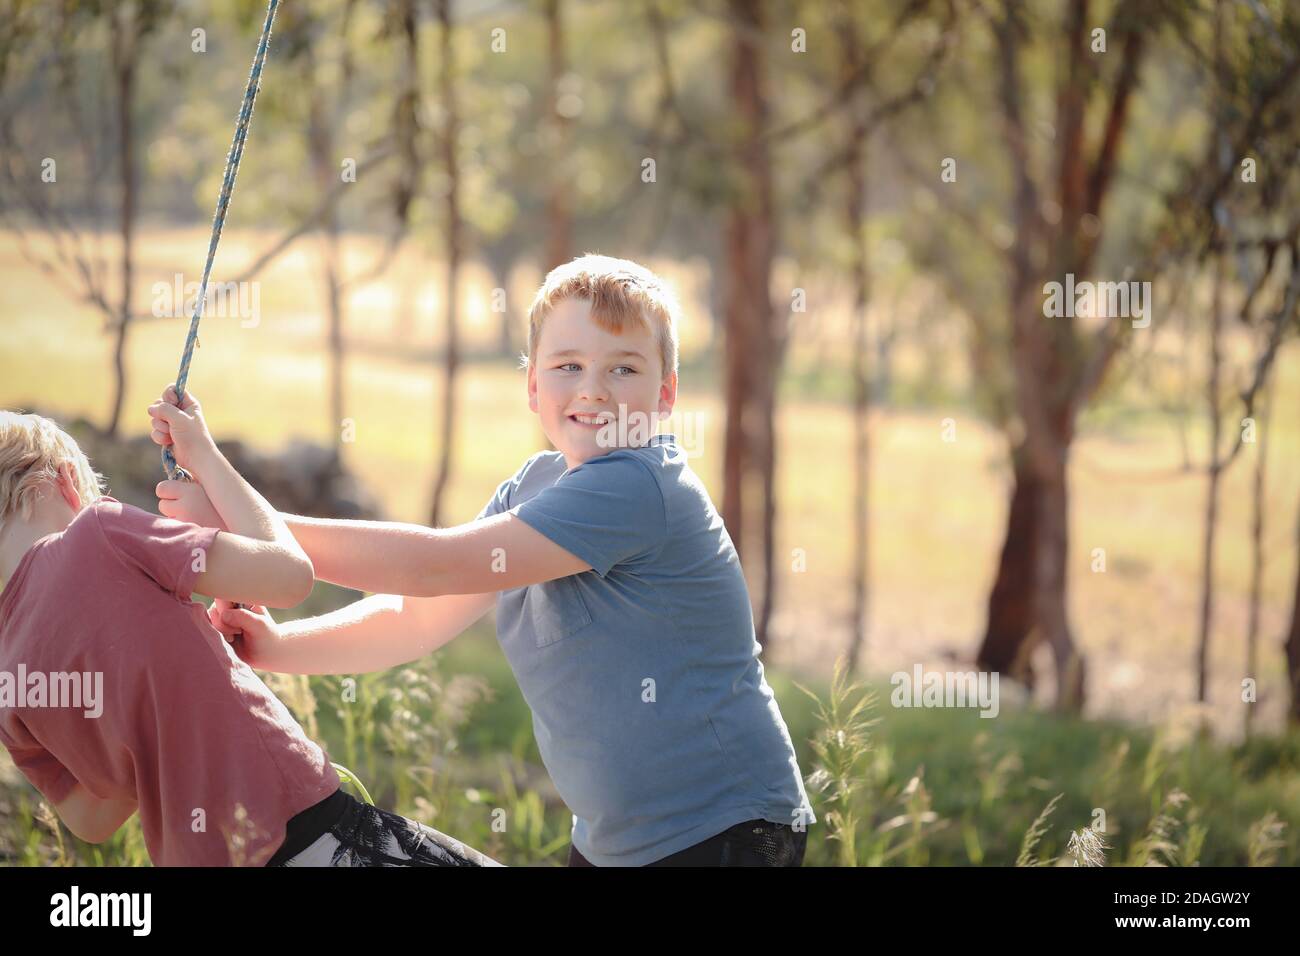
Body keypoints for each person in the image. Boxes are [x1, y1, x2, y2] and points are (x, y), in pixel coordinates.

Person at [153, 254, 815, 867]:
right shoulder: (533, 486)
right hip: (621, 842)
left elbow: (434, 565)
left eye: (624, 367)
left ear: (665, 395)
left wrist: (226, 498)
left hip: (726, 829)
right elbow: (417, 615)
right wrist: (277, 646)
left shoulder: (640, 485)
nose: (593, 389)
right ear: (532, 386)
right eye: (567, 366)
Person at [0, 410, 496, 867]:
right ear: (67, 482)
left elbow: (93, 818)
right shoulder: (97, 531)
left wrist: (156, 693)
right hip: (307, 832)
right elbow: (289, 575)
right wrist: (208, 462)